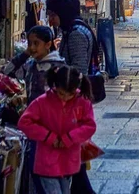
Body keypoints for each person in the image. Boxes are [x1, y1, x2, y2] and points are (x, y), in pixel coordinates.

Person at [4, 25, 65, 194]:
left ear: (48, 44)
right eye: (30, 43)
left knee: (49, 177)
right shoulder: (32, 65)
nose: (32, 47)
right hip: (35, 130)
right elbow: (7, 72)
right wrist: (24, 55)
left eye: (36, 43)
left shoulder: (58, 67)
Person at [47, 0, 98, 194]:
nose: (51, 20)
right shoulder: (73, 30)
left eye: (53, 15)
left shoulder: (76, 34)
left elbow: (77, 71)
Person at [18, 65, 96, 194]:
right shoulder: (42, 102)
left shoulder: (82, 101)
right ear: (55, 85)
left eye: (69, 94)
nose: (65, 98)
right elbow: (24, 122)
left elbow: (90, 126)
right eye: (61, 93)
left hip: (69, 160)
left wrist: (70, 138)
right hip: (46, 161)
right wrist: (49, 136)